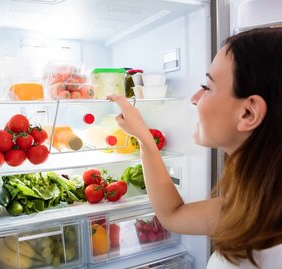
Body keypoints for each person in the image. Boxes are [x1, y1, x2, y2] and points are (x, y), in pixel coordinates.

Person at [108, 27, 282, 268]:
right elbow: (173, 215)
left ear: (248, 112)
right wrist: (144, 139)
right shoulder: (258, 204)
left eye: (207, 87)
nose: (194, 98)